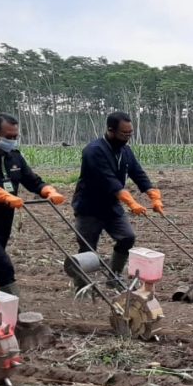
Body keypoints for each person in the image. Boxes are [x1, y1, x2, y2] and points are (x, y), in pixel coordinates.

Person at [0, 113, 66, 299]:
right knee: (3, 266)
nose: (13, 141)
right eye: (9, 137)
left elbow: (32, 181)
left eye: (16, 137)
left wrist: (48, 190)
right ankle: (17, 317)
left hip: (3, 222)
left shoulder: (14, 157)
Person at [71, 111, 162, 288]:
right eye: (124, 134)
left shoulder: (125, 151)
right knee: (87, 249)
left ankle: (114, 277)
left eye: (130, 133)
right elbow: (109, 181)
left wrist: (153, 194)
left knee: (127, 237)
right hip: (89, 208)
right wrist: (132, 202)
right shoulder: (93, 151)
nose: (128, 137)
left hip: (111, 207)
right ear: (111, 130)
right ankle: (81, 285)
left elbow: (138, 173)